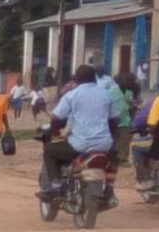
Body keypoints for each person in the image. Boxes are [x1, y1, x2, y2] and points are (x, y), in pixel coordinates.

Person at [37, 65, 116, 200]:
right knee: (113, 160)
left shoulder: (72, 95)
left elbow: (56, 118)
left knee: (50, 151)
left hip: (80, 145)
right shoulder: (106, 95)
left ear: (77, 79)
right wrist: (110, 137)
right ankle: (109, 188)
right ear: (94, 79)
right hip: (104, 145)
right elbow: (113, 120)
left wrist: (55, 133)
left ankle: (56, 187)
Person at [107, 74, 133, 168]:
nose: (128, 83)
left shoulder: (129, 92)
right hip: (114, 120)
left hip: (125, 119)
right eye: (126, 81)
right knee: (114, 140)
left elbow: (130, 105)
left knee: (125, 140)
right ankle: (112, 159)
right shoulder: (111, 91)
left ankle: (123, 159)